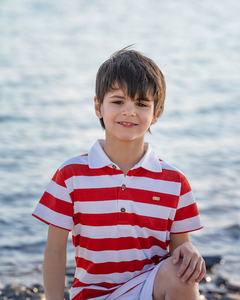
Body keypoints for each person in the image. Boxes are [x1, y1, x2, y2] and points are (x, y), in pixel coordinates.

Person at [33, 47, 206, 300]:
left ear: (156, 113)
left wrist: (190, 251)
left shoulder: (174, 182)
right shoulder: (70, 174)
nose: (129, 111)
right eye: (117, 101)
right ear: (98, 106)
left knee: (180, 272)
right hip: (91, 295)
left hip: (147, 290)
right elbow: (55, 251)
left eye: (141, 103)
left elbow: (180, 253)